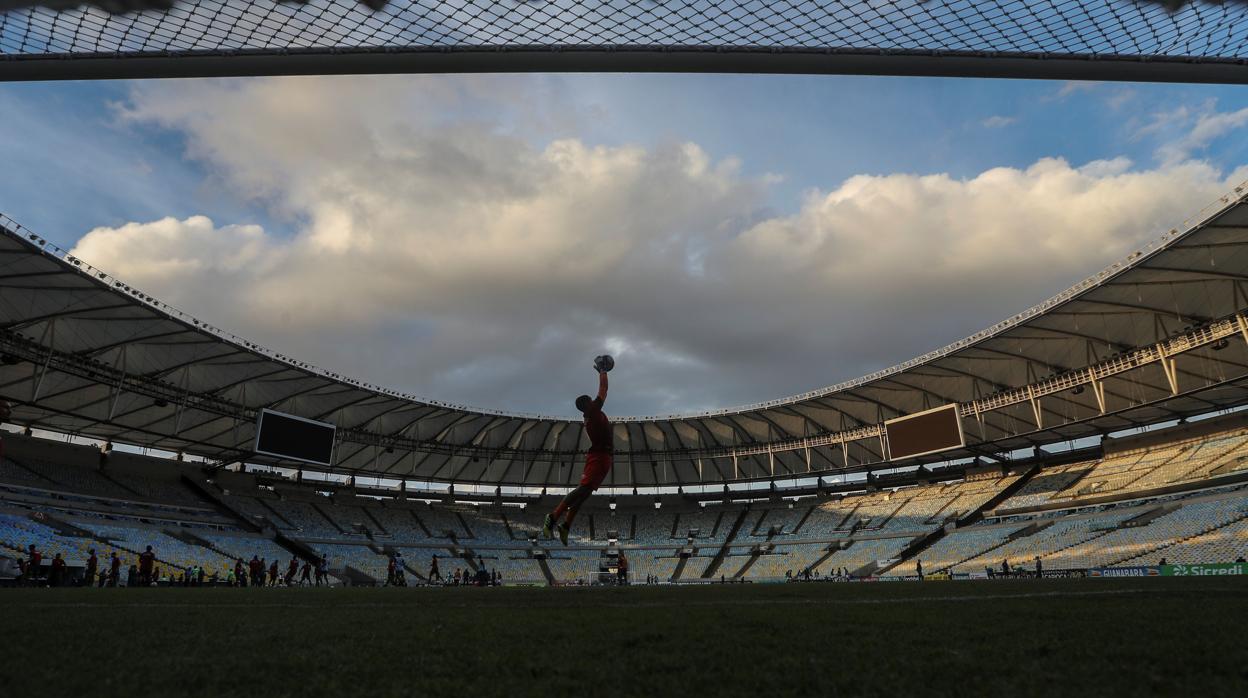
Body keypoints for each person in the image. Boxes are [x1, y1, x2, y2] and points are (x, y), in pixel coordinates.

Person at [543, 364, 613, 545]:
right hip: (598, 457)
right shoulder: (592, 411)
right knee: (582, 491)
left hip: (604, 458)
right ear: (587, 405)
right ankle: (553, 516)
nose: (594, 400)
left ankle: (566, 526)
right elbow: (604, 390)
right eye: (591, 399)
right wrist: (603, 372)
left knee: (584, 495)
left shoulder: (590, 414)